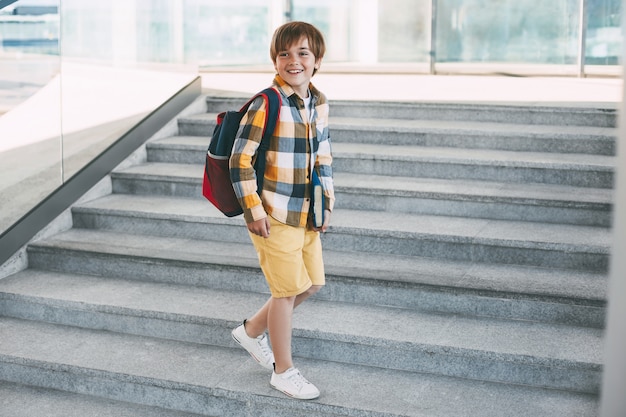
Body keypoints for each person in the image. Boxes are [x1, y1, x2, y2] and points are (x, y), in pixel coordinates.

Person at [229, 21, 334, 400]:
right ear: (275, 60)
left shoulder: (318, 103)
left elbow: (323, 158)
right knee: (287, 291)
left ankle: (252, 330)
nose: (294, 61)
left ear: (317, 60)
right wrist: (253, 211)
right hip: (273, 214)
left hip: (306, 214)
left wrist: (324, 208)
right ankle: (284, 371)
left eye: (303, 53)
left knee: (312, 284)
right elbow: (240, 161)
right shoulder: (266, 102)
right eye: (285, 53)